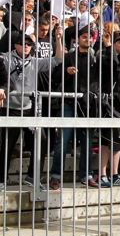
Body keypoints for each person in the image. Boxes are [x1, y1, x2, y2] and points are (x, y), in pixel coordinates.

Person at [0, 31, 63, 191]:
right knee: (7, 145)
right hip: (10, 108)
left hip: (29, 109)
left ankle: (33, 177)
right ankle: (1, 179)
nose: (27, 46)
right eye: (23, 43)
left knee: (40, 141)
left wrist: (58, 38)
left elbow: (58, 59)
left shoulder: (35, 61)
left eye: (29, 44)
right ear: (15, 45)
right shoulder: (6, 58)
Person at [49, 26, 100, 190]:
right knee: (62, 141)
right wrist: (66, 71)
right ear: (77, 39)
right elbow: (55, 78)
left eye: (90, 37)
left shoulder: (96, 58)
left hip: (88, 105)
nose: (87, 39)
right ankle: (56, 176)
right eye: (84, 36)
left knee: (86, 143)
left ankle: (87, 175)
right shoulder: (69, 56)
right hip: (70, 103)